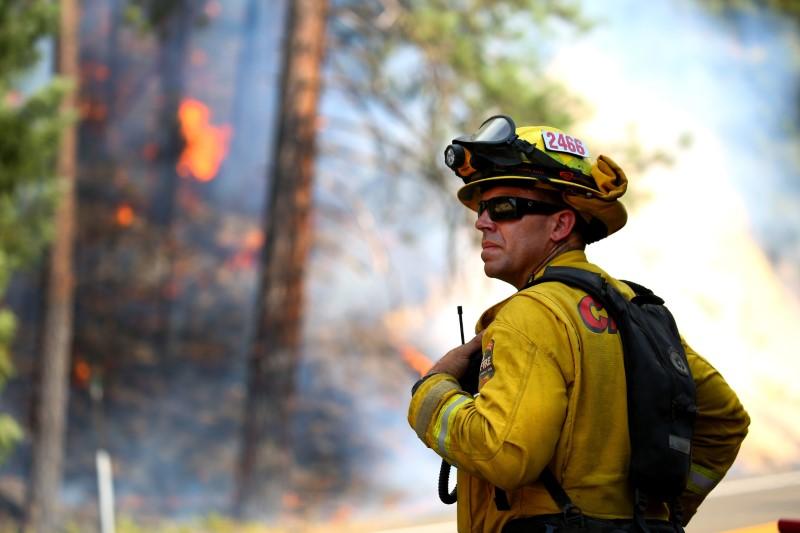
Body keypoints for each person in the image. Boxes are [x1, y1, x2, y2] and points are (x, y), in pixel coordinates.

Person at [407, 116, 750, 533]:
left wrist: (433, 391)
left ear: (561, 225)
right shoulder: (636, 311)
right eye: (482, 209)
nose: (482, 222)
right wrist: (664, 512)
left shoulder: (531, 315)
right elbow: (726, 422)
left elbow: (503, 453)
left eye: (504, 208)